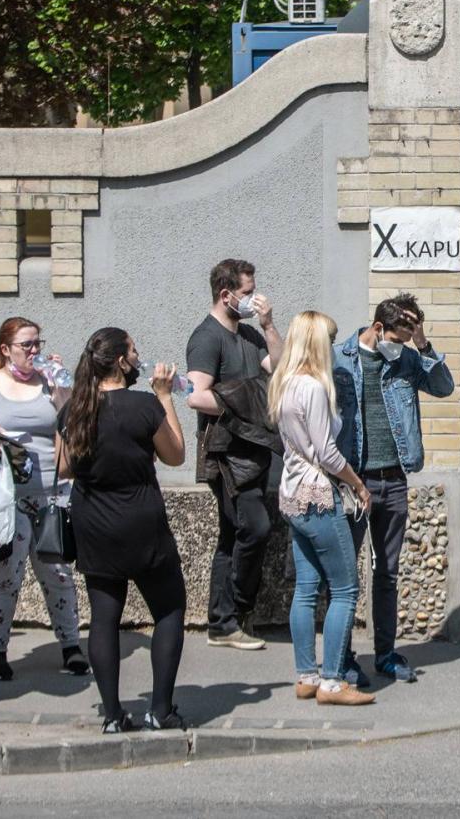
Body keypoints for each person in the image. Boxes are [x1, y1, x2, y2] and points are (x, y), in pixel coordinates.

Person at [60, 327, 189, 731]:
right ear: (120, 361)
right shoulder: (143, 405)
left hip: (93, 523)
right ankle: (161, 708)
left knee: (104, 618)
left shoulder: (75, 409)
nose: (138, 357)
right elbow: (175, 455)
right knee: (168, 608)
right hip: (141, 521)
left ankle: (113, 714)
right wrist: (166, 396)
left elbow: (63, 467)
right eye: (133, 351)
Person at [332, 294, 455, 686]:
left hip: (393, 480)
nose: (401, 345)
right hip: (354, 481)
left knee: (387, 573)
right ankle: (345, 658)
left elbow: (444, 385)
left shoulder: (406, 358)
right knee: (346, 576)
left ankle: (384, 653)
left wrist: (422, 342)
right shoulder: (340, 359)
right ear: (379, 328)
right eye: (399, 336)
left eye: (409, 336)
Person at [0, 318, 85, 681]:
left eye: (37, 344)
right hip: (7, 498)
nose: (34, 351)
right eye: (26, 345)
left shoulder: (48, 384)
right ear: (5, 349)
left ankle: (71, 646)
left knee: (58, 573)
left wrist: (61, 384)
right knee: (4, 575)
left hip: (51, 493)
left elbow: (70, 423)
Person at [271, 311, 374, 706]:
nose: (333, 347)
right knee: (346, 588)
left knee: (307, 588)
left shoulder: (284, 384)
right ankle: (332, 681)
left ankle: (306, 674)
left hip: (293, 491)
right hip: (317, 492)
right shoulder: (313, 387)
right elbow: (328, 453)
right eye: (329, 340)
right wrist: (358, 484)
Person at [186, 258, 281, 651]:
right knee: (254, 528)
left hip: (254, 449)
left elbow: (279, 366)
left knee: (232, 536)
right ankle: (233, 612)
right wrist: (248, 403)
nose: (252, 298)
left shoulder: (247, 333)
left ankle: (223, 621)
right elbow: (196, 395)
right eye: (246, 293)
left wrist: (269, 325)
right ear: (225, 295)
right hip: (227, 454)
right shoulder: (207, 337)